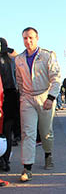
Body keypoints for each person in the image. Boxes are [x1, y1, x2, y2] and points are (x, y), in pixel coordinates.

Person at [15, 27, 61, 182]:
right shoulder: (19, 59)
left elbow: (56, 78)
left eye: (30, 37)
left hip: (44, 96)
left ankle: (48, 154)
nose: (28, 41)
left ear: (37, 38)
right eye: (25, 38)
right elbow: (19, 80)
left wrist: (51, 97)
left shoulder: (47, 56)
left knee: (46, 131)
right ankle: (27, 168)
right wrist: (23, 95)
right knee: (28, 133)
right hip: (27, 98)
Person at [0, 38, 20, 172]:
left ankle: (3, 160)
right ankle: (5, 161)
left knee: (4, 131)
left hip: (3, 95)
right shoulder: (13, 59)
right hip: (12, 96)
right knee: (8, 132)